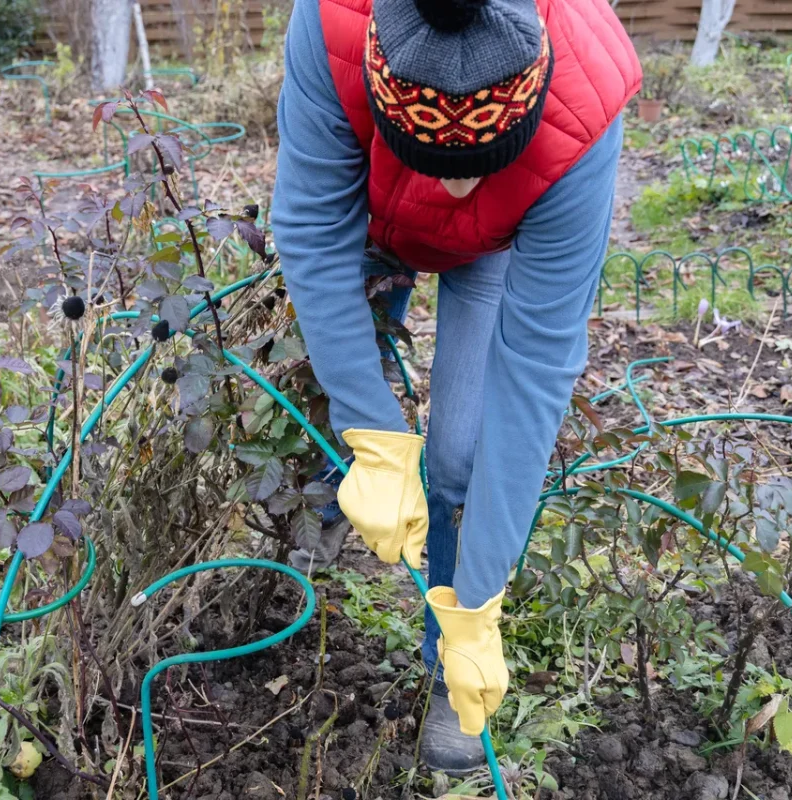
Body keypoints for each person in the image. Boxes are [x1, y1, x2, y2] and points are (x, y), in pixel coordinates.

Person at [270, 0, 640, 775]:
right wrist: (371, 434)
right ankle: (333, 487)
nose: (459, 190)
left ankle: (451, 655)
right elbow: (311, 227)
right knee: (339, 375)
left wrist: (481, 608)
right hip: (369, 216)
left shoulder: (584, 100)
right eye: (445, 168)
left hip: (495, 253)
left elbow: (535, 365)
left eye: (482, 168)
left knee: (460, 457)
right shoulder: (334, 25)